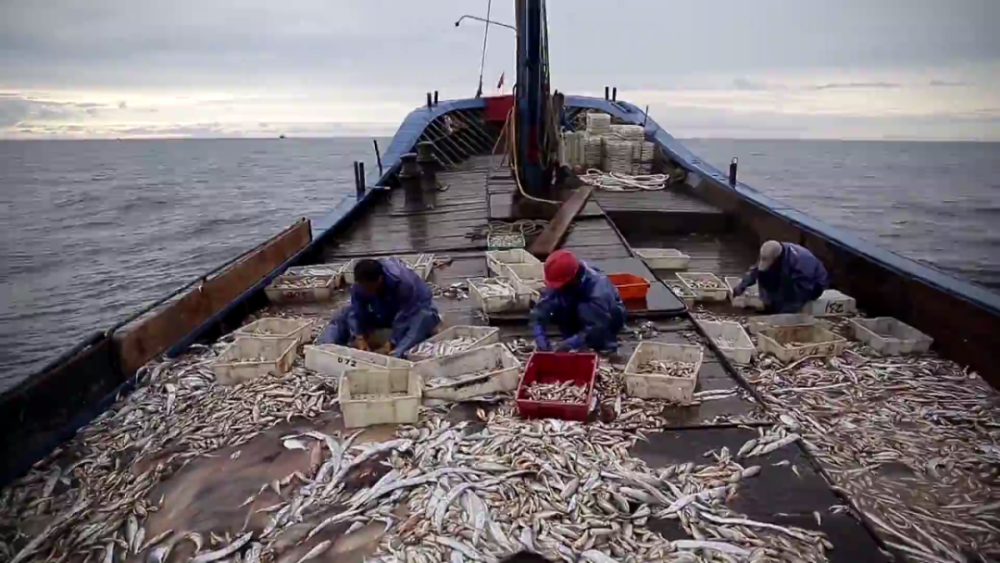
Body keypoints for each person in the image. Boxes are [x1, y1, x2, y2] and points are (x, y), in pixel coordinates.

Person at [316, 258, 440, 358]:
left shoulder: (403, 284)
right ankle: (324, 348)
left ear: (379, 280)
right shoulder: (360, 285)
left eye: (369, 287)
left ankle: (396, 355)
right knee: (341, 314)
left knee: (424, 317)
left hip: (412, 311)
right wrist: (359, 336)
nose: (366, 290)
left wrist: (392, 341)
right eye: (363, 286)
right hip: (383, 312)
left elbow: (405, 316)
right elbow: (357, 310)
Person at [530, 250, 626, 353]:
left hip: (605, 318)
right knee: (558, 299)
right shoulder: (562, 279)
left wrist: (575, 342)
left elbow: (598, 325)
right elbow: (541, 309)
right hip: (578, 306)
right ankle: (571, 336)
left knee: (587, 312)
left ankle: (604, 344)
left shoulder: (598, 288)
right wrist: (539, 335)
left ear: (573, 278)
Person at [733, 240, 829, 314]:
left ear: (777, 258)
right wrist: (742, 285)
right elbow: (756, 271)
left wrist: (783, 311)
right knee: (765, 273)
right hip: (789, 273)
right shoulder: (772, 251)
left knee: (787, 304)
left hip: (812, 283)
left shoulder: (800, 263)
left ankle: (781, 310)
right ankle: (769, 304)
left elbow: (802, 290)